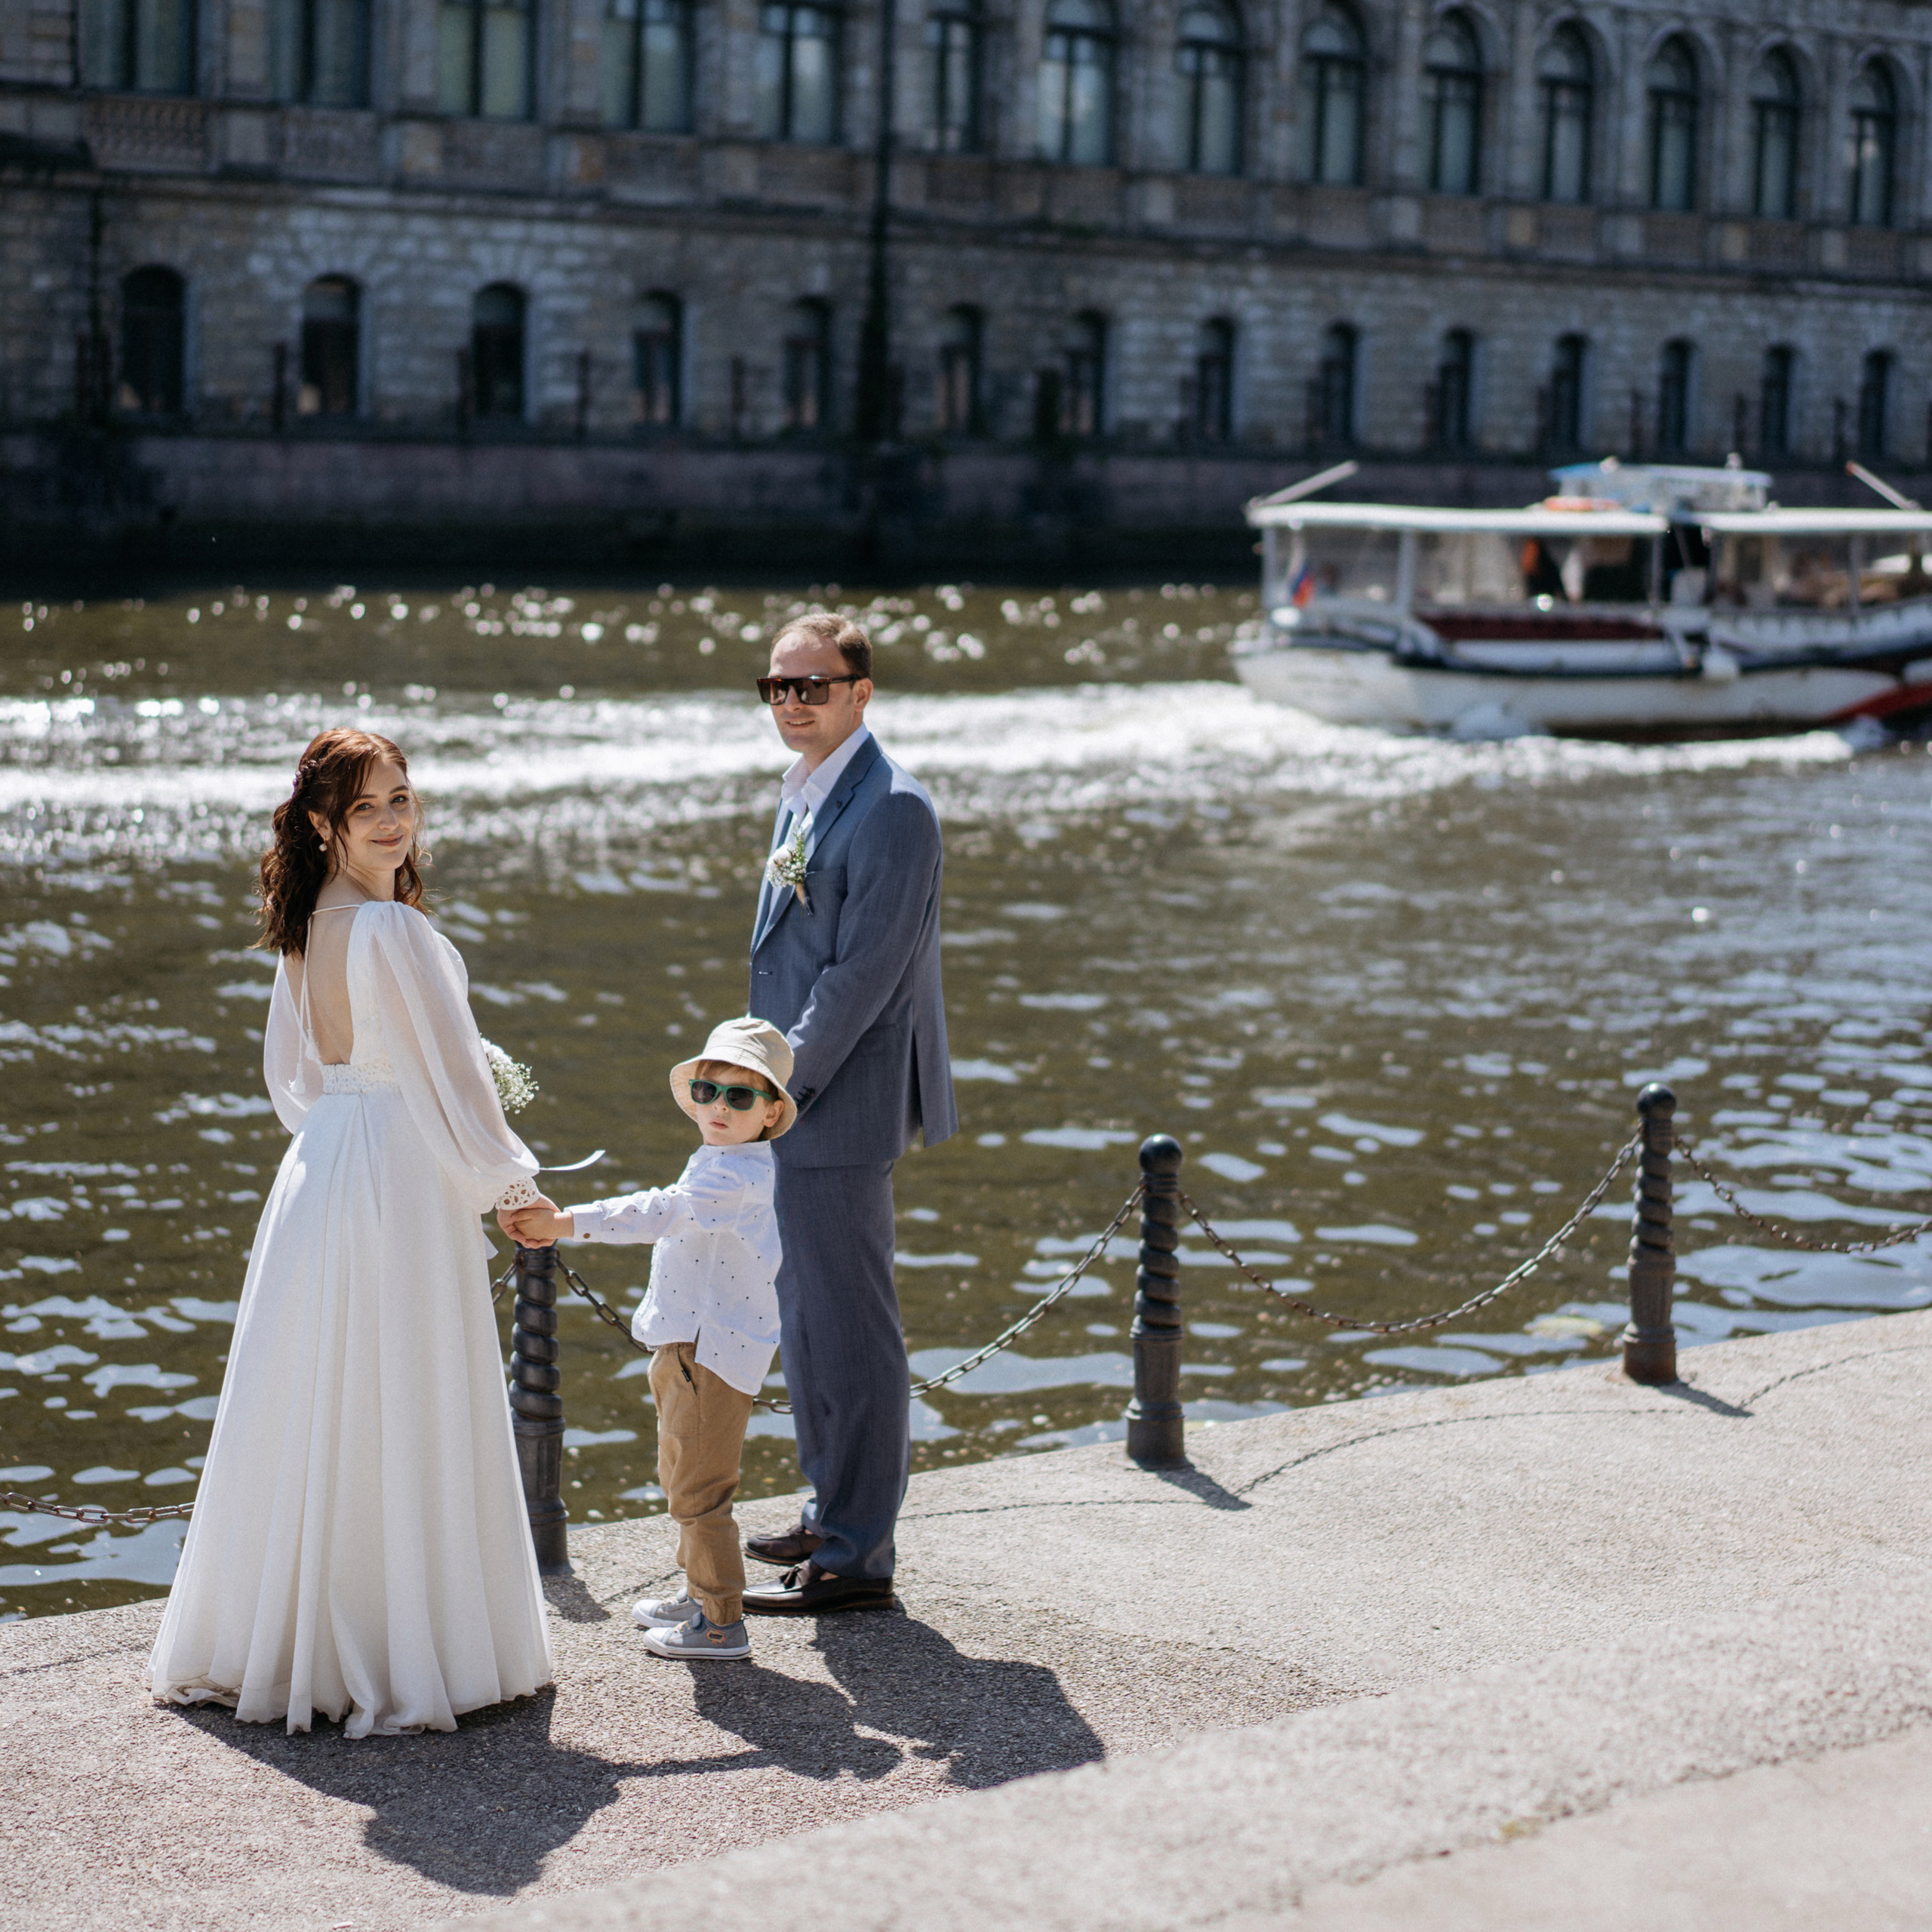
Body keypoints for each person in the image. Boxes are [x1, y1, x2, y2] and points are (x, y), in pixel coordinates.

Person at [148, 728, 552, 1737]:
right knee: (398, 1388)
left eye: (403, 799)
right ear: (326, 825)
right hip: (396, 1172)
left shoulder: (308, 924)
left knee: (321, 1394)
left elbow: (296, 1081)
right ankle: (411, 1647)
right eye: (368, 806)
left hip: (323, 1168)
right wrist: (509, 1186)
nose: (393, 821)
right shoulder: (395, 932)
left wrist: (346, 1134)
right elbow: (454, 1080)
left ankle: (290, 1645)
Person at [738, 610, 958, 1615]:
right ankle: (833, 1508)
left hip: (835, 1101)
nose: (791, 703)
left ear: (860, 693)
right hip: (791, 1100)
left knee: (855, 1327)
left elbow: (863, 976)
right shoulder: (808, 792)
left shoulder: (894, 808)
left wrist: (781, 1086)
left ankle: (859, 1555)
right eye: (777, 687)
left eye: (811, 686)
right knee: (810, 1320)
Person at [501, 1018, 794, 1662]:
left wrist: (564, 1221)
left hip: (711, 1350)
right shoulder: (719, 1157)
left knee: (699, 1490)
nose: (719, 1106)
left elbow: (663, 1211)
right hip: (686, 1343)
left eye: (740, 1097)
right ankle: (701, 1595)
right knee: (678, 1474)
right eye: (709, 1089)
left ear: (771, 1113)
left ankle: (721, 1623)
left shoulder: (738, 1174)